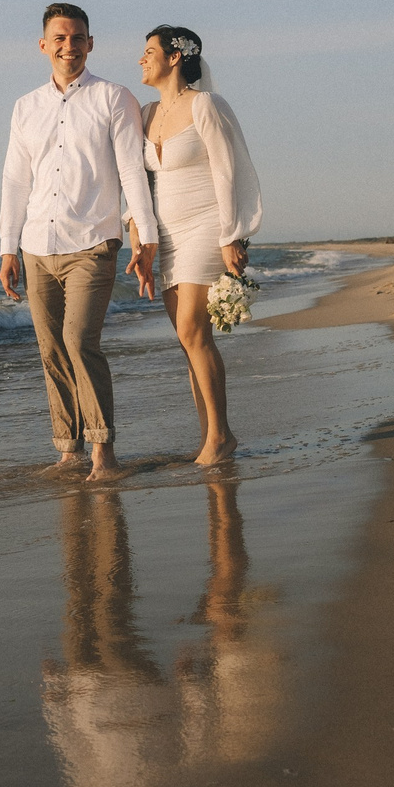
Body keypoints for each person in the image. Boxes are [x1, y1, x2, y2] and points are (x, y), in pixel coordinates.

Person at [0, 3, 159, 478]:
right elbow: (14, 180)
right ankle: (68, 448)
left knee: (78, 339)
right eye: (60, 38)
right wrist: (8, 247)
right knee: (50, 348)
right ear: (44, 45)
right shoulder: (25, 107)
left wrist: (143, 237)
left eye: (78, 38)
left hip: (92, 242)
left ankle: (103, 450)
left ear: (91, 43)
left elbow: (132, 170)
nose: (69, 46)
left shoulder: (114, 98)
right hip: (36, 247)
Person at [136, 24, 263, 465]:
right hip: (167, 234)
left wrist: (233, 235)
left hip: (205, 225)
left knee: (192, 328)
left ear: (175, 57)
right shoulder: (146, 114)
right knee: (189, 339)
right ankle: (211, 434)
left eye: (149, 51)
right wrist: (139, 232)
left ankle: (221, 436)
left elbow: (231, 170)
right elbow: (138, 182)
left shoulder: (206, 104)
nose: (141, 58)